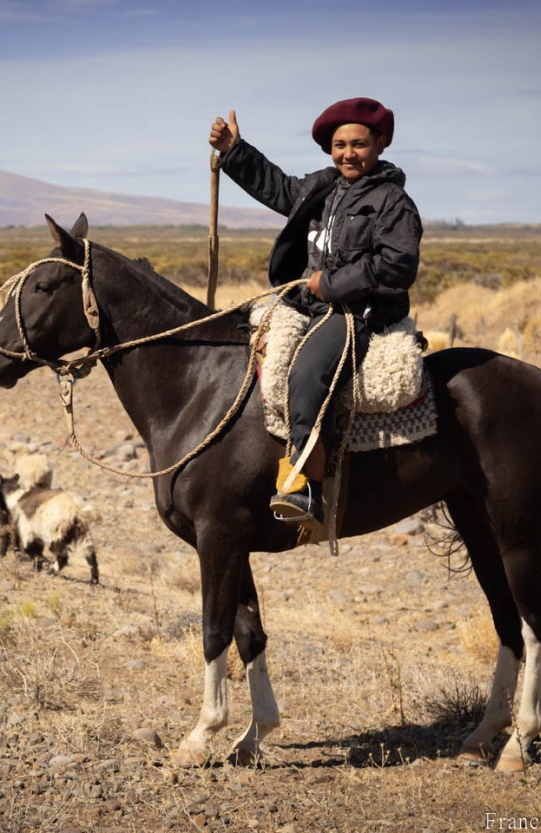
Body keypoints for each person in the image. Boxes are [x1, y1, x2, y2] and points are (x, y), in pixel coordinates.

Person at [208, 97, 422, 535]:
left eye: (359, 144)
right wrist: (235, 152)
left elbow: (397, 265)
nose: (348, 153)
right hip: (305, 305)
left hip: (355, 314)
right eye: (339, 145)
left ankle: (306, 486)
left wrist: (331, 284)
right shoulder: (324, 186)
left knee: (305, 374)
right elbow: (280, 188)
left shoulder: (392, 201)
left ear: (380, 144)